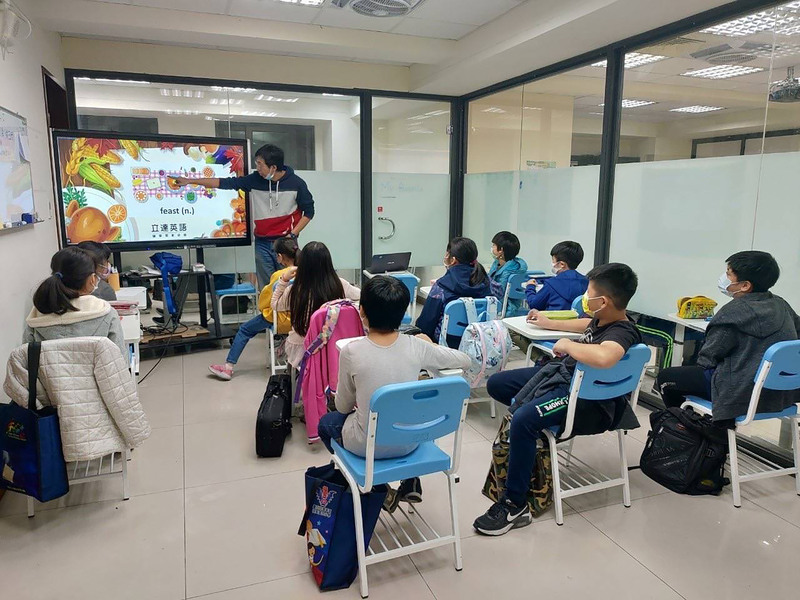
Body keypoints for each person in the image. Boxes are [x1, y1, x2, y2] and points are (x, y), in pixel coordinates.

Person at [474, 263, 642, 535]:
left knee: (523, 420)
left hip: (589, 404)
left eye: (589, 293)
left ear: (604, 301)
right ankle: (531, 434)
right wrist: (549, 322)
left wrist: (567, 345)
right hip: (567, 380)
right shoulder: (602, 320)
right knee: (498, 384)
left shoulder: (622, 331)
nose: (585, 298)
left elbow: (605, 356)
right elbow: (585, 324)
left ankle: (514, 505)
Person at [318, 276, 471, 512]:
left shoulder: (351, 352)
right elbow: (465, 360)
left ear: (362, 312)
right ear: (402, 314)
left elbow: (342, 407)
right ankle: (410, 480)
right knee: (408, 414)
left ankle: (379, 489)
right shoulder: (416, 346)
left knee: (327, 424)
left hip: (366, 445)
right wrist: (430, 344)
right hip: (411, 442)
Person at [656, 251, 800, 423]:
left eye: (729, 274)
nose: (724, 278)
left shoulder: (732, 313)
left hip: (738, 395)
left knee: (666, 377)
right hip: (780, 394)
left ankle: (687, 432)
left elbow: (707, 359)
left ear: (745, 285)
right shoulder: (781, 305)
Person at [174, 144, 314, 290]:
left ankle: (288, 313)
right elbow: (224, 183)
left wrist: (293, 234)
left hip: (286, 243)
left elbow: (309, 211)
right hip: (262, 243)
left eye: (260, 165)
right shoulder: (254, 180)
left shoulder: (297, 184)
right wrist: (190, 181)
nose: (257, 169)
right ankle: (268, 313)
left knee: (290, 286)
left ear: (273, 167)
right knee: (267, 287)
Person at [208, 236, 299, 380]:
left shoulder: (279, 276)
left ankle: (228, 367)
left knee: (244, 330)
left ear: (280, 257)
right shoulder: (306, 273)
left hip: (279, 320)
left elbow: (265, 301)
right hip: (299, 322)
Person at [24, 247, 126, 359]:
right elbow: (120, 363)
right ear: (92, 279)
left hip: (48, 377)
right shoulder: (106, 313)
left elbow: (27, 364)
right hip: (99, 376)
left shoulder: (35, 318)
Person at [272, 241, 360, 369]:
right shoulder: (339, 285)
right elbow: (362, 297)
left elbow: (275, 305)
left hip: (301, 349)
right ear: (328, 263)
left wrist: (283, 280)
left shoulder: (295, 289)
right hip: (332, 346)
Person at [416, 237, 492, 348]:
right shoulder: (486, 281)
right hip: (480, 340)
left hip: (448, 343)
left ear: (453, 260)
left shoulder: (441, 286)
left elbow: (427, 322)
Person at [525, 241, 588, 311]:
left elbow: (534, 304)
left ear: (562, 264)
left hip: (552, 320)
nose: (552, 263)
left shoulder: (552, 284)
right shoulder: (587, 282)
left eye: (553, 260)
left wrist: (530, 287)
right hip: (577, 321)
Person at [488, 231, 528, 314]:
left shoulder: (510, 271)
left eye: (494, 245)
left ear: (501, 250)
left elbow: (500, 294)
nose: (492, 248)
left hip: (506, 309)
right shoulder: (497, 263)